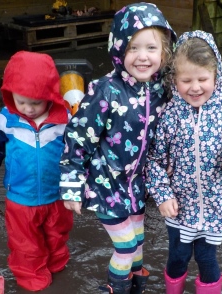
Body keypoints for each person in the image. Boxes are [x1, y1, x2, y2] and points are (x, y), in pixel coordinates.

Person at [58, 2, 176, 293]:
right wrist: (72, 184)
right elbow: (78, 136)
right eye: (133, 48)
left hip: (137, 186)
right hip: (106, 183)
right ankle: (115, 289)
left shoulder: (165, 89)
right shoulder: (105, 89)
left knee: (138, 244)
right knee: (125, 247)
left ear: (164, 52)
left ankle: (136, 286)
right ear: (119, 49)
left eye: (151, 48)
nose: (142, 57)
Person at [145, 30, 222, 294]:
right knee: (178, 256)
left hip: (215, 205)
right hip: (179, 207)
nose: (195, 87)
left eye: (203, 79)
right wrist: (162, 195)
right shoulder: (170, 114)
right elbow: (154, 160)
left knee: (207, 258)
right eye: (186, 80)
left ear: (216, 76)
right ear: (174, 79)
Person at [0, 51, 74, 292]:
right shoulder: (6, 119)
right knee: (26, 243)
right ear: (10, 95)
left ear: (50, 96)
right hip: (21, 197)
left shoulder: (65, 120)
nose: (28, 108)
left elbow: (77, 154)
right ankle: (32, 276)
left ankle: (55, 262)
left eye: (36, 102)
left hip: (57, 194)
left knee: (57, 233)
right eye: (21, 102)